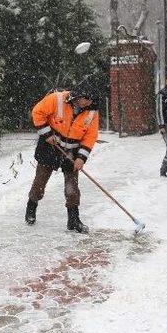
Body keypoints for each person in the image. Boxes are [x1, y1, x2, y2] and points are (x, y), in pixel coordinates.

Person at [25, 82, 99, 233]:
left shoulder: (92, 112)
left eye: (91, 100)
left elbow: (90, 136)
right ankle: (31, 206)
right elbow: (37, 112)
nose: (90, 103)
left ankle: (73, 220)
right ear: (79, 96)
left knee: (72, 188)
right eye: (87, 99)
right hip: (50, 147)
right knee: (40, 183)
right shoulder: (56, 99)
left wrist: (81, 158)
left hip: (72, 152)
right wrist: (46, 134)